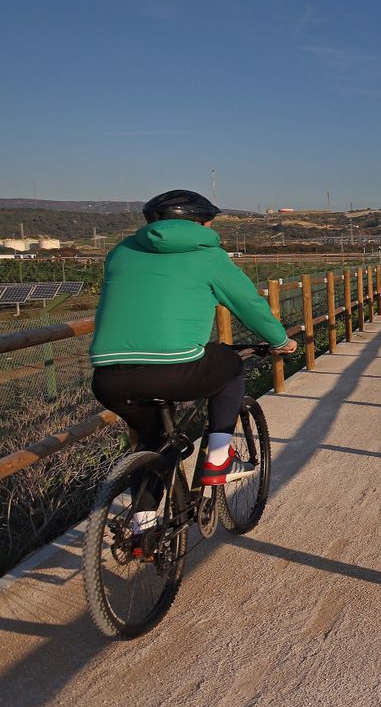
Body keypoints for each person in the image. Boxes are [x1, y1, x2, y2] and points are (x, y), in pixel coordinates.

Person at [90, 190, 297, 533]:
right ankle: (219, 456)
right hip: (176, 369)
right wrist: (281, 341)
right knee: (230, 366)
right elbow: (248, 305)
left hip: (109, 377)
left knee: (153, 441)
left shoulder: (120, 252)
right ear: (199, 224)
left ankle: (143, 529)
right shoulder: (209, 257)